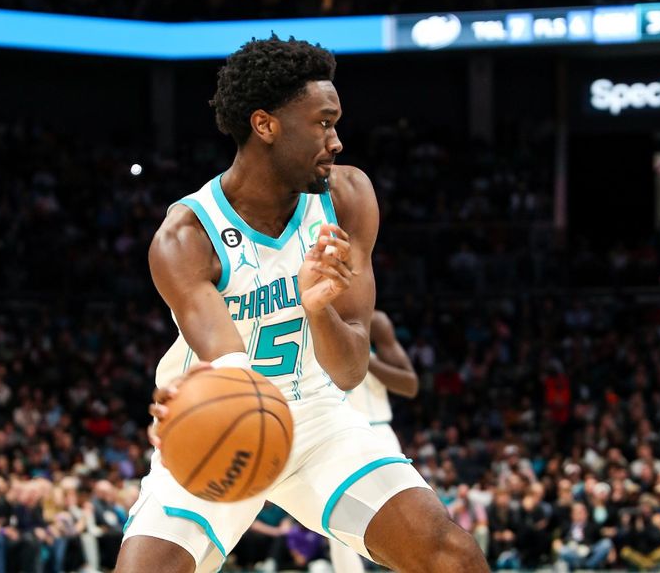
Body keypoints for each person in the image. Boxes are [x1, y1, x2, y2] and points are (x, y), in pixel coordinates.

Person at [116, 35, 488, 573]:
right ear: (265, 125)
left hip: (316, 417)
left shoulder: (347, 198)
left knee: (452, 555)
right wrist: (200, 402)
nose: (336, 141)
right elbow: (232, 369)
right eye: (323, 122)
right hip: (227, 422)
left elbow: (351, 369)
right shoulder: (188, 236)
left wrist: (319, 309)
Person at [330, 309, 419, 573]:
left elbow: (410, 385)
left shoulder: (376, 321)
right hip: (333, 433)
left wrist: (363, 358)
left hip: (377, 430)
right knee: (336, 522)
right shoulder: (307, 314)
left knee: (402, 514)